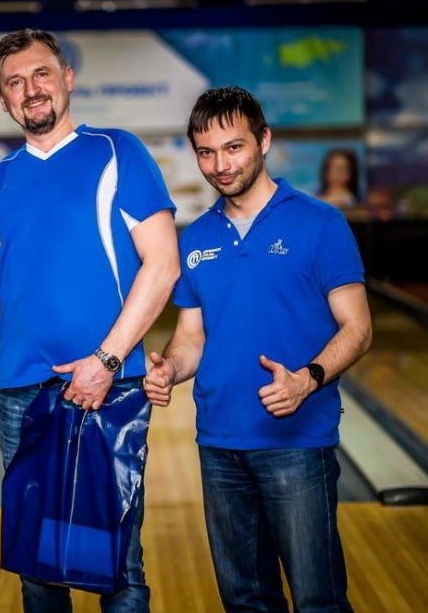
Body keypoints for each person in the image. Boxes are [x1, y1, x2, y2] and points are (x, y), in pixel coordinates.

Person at [0, 29, 179, 612]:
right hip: (21, 391)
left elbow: (163, 265)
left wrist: (106, 360)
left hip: (111, 384)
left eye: (40, 74)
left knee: (119, 564)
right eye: (14, 82)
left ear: (67, 79)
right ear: (3, 100)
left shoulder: (117, 151)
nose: (30, 89)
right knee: (36, 568)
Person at [143, 86, 372, 612]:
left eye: (234, 147)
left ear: (264, 140)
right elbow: (192, 336)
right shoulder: (195, 237)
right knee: (246, 602)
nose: (220, 165)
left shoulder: (320, 224)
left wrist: (307, 379)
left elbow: (358, 328)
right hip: (219, 443)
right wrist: (169, 369)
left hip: (297, 442)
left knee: (318, 601)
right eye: (206, 152)